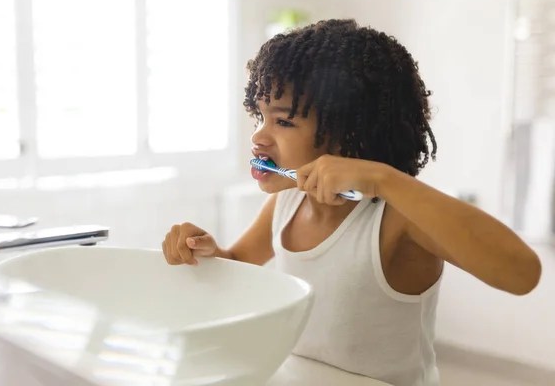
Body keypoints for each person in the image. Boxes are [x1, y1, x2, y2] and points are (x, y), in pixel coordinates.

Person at [161, 19, 541, 386]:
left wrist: (383, 178)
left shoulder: (396, 219)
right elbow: (241, 263)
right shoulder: (287, 203)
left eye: (284, 122)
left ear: (349, 133)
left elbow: (522, 273)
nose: (259, 136)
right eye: (260, 116)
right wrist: (208, 252)